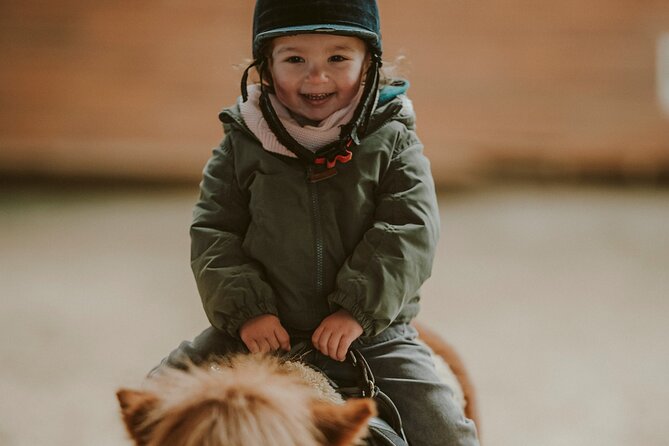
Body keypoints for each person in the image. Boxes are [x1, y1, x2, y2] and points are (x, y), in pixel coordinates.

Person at [154, 1, 479, 444]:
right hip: (263, 329)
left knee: (445, 432)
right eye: (295, 59)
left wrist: (357, 310)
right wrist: (248, 312)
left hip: (370, 334)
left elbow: (408, 229)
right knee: (154, 400)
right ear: (266, 68)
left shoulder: (394, 139)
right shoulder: (240, 143)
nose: (316, 76)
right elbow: (215, 231)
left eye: (337, 58)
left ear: (369, 64)